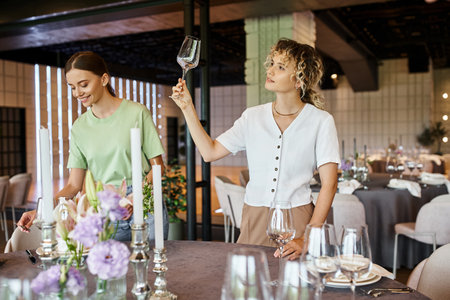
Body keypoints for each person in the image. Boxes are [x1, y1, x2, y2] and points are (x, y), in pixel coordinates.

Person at [171, 38, 339, 259]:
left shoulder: (321, 121)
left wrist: (309, 235)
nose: (270, 70)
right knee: (251, 284)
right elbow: (210, 152)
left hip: (299, 217)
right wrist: (187, 107)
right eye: (272, 64)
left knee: (296, 287)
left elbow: (329, 183)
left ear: (299, 79)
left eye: (280, 67)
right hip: (254, 216)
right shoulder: (252, 116)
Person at [18, 51, 169, 241]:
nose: (77, 93)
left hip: (146, 204)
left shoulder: (137, 113)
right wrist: (41, 209)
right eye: (72, 87)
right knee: (111, 269)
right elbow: (74, 185)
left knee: (153, 266)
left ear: (104, 79)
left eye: (83, 85)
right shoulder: (79, 127)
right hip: (104, 206)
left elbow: (158, 167)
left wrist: (134, 197)